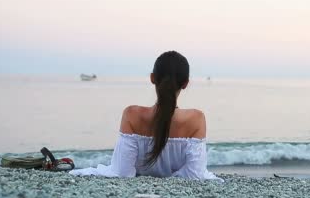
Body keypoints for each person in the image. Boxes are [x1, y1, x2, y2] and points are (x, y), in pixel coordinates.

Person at [70, 51, 221, 181]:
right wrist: (172, 178)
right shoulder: (195, 119)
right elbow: (195, 175)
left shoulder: (132, 115)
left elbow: (122, 172)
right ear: (185, 83)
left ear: (152, 78)